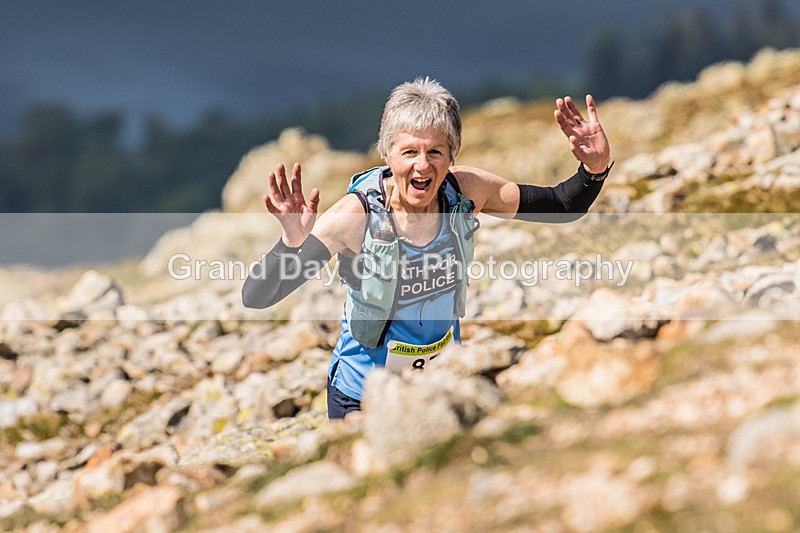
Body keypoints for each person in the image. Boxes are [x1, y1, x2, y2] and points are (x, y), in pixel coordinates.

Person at [242, 77, 611, 419]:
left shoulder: (465, 192)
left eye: (436, 151)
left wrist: (593, 169)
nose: (422, 166)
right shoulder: (354, 217)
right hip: (362, 395)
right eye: (409, 152)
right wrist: (290, 243)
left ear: (452, 156)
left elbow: (562, 206)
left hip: (442, 381)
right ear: (387, 154)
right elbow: (257, 296)